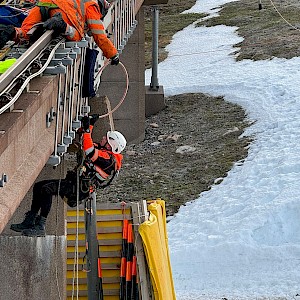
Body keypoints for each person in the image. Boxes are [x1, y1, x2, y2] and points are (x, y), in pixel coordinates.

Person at [10, 114, 127, 237]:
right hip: (75, 183)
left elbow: (89, 151)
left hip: (78, 189)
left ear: (110, 145)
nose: (103, 138)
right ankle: (30, 220)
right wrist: (89, 125)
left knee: (46, 189)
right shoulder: (104, 153)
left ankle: (40, 226)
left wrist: (88, 129)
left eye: (106, 139)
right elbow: (86, 142)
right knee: (39, 186)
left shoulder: (108, 160)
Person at [0, 0, 120, 66]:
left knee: (25, 32)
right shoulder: (92, 6)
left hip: (43, 4)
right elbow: (99, 35)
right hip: (61, 11)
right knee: (77, 35)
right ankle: (61, 25)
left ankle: (12, 32)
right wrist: (113, 54)